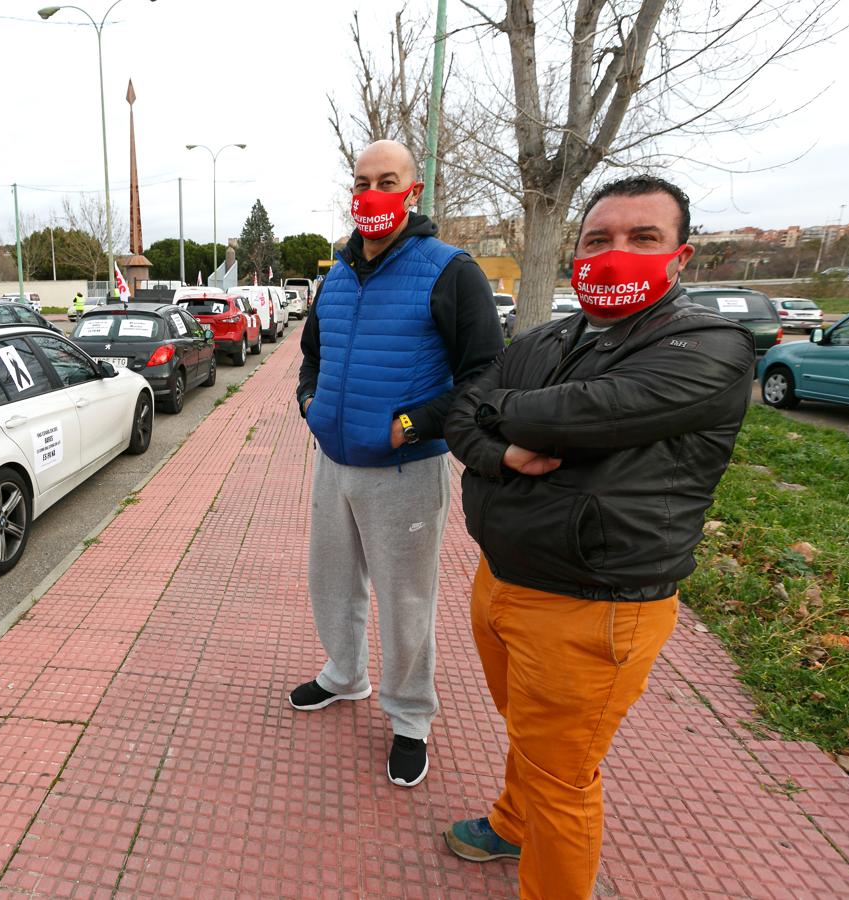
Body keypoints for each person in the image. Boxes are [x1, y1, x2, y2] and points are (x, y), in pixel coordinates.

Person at [440, 176, 755, 899]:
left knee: (562, 776)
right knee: (529, 734)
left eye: (642, 238)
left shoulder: (708, 347)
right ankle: (511, 823)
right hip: (503, 580)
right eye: (598, 240)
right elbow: (464, 415)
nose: (615, 254)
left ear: (681, 256)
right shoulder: (550, 335)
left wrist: (504, 412)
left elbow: (579, 415)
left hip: (595, 603)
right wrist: (500, 442)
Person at [291, 139, 503, 787]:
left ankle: (410, 716)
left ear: (413, 191)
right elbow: (312, 354)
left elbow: (487, 371)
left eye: (387, 180)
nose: (372, 193)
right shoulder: (337, 271)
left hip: (408, 470)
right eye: (361, 182)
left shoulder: (449, 270)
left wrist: (412, 424)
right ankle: (345, 675)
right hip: (335, 461)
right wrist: (310, 401)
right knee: (331, 581)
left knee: (405, 600)